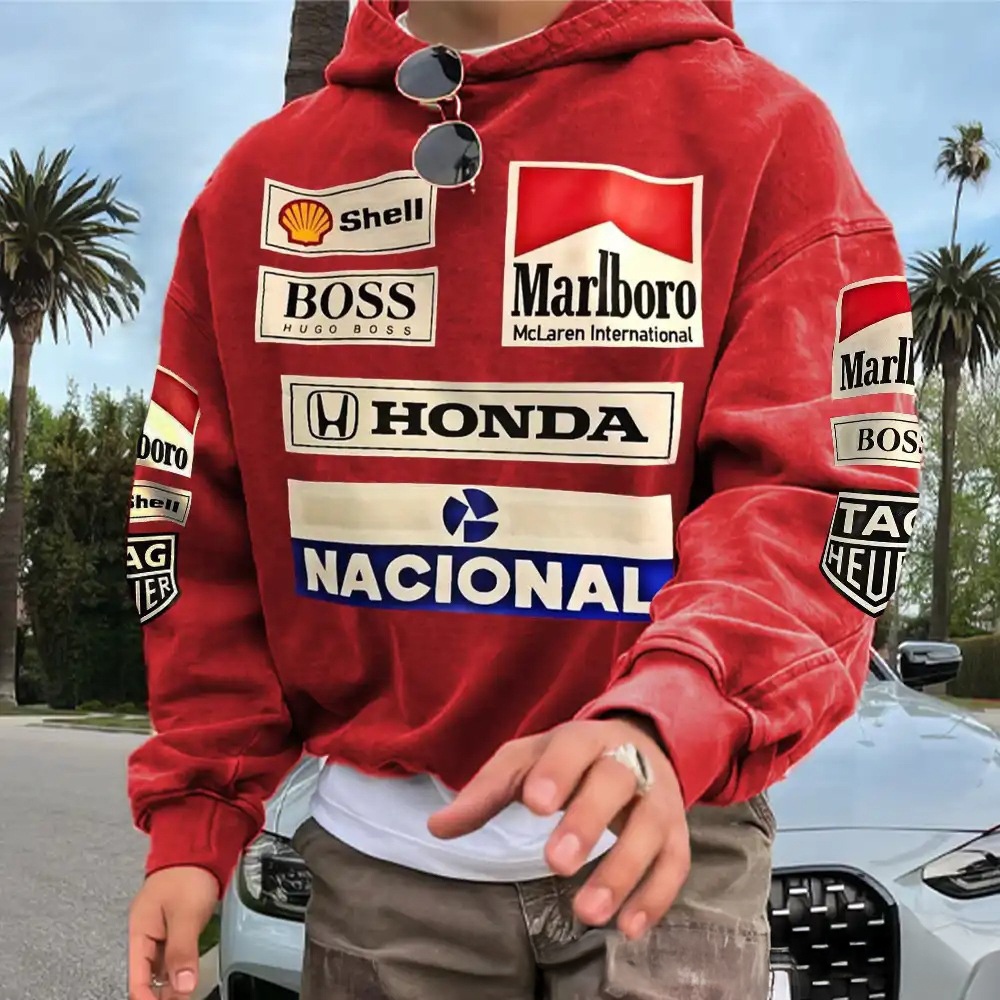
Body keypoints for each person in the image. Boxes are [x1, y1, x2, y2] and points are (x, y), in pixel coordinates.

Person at [125, 1, 922, 998]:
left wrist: (667, 717)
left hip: (669, 847)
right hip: (380, 882)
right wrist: (196, 817)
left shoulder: (764, 133)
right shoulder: (259, 186)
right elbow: (199, 531)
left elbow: (816, 490)